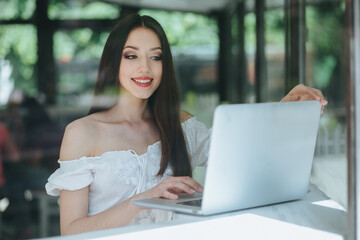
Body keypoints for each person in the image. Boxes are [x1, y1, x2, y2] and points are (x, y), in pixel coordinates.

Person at [45, 13, 328, 235]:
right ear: (112, 62)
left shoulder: (179, 124)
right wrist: (146, 198)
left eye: (155, 57)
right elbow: (71, 230)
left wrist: (285, 108)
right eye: (131, 56)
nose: (145, 68)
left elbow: (240, 146)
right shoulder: (82, 133)